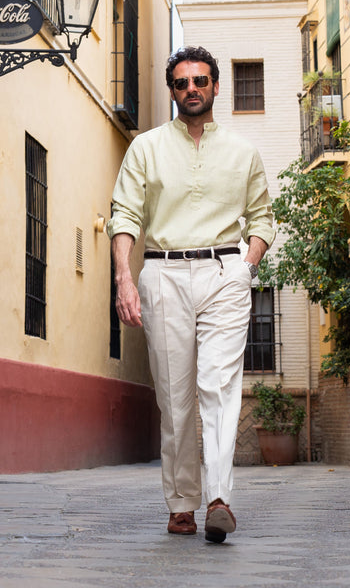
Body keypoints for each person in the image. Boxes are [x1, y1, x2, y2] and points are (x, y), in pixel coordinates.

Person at [107, 45, 275, 542]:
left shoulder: (243, 152)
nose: (192, 89)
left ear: (216, 87)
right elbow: (124, 216)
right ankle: (182, 503)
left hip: (225, 272)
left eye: (200, 81)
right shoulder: (146, 148)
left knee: (218, 389)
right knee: (175, 399)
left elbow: (263, 218)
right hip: (162, 275)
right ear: (173, 91)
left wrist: (246, 267)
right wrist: (123, 278)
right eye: (182, 83)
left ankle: (219, 498)